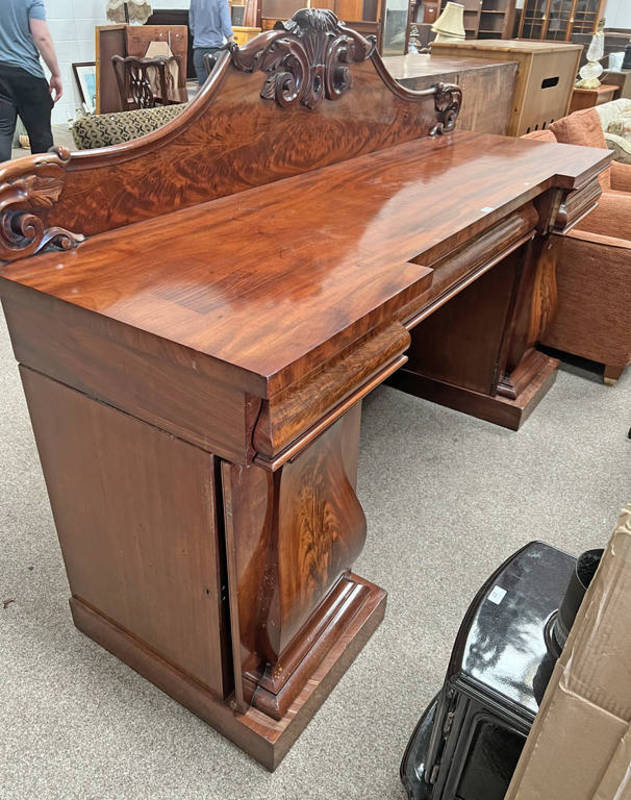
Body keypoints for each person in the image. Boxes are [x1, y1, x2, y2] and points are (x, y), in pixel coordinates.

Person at [0, 0, 62, 164]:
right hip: (28, 74)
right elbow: (42, 37)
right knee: (41, 137)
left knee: (1, 135)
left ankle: (3, 188)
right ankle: (46, 186)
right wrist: (56, 74)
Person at [189, 0, 234, 86]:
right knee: (215, 92)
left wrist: (200, 35)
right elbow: (226, 24)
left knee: (203, 91)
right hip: (215, 53)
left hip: (198, 51)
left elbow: (192, 26)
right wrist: (231, 42)